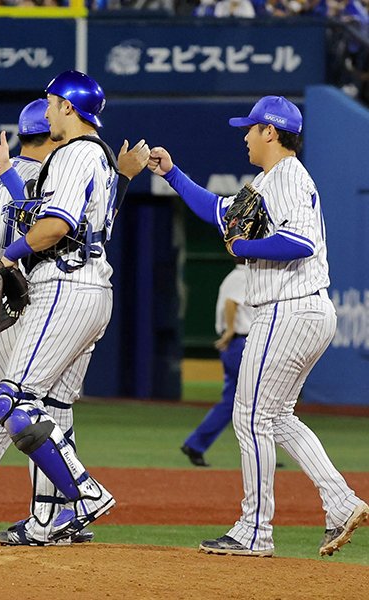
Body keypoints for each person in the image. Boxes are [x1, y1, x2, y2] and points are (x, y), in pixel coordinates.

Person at [148, 96, 368, 557]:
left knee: (249, 416)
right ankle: (341, 502)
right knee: (277, 417)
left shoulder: (287, 176)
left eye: (250, 128)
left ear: (270, 131)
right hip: (304, 310)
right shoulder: (268, 181)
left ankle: (254, 530)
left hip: (287, 310)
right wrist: (172, 173)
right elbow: (217, 210)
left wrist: (245, 246)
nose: (244, 136)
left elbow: (300, 242)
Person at [0, 99, 150, 545]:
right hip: (25, 300)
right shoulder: (51, 173)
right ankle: (71, 500)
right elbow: (57, 227)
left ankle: (0, 507)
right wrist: (123, 178)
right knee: (24, 404)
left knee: (13, 408)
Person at [181, 258, 252, 468]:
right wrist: (230, 331)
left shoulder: (236, 275)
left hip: (237, 344)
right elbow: (231, 303)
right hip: (239, 342)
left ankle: (196, 444)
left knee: (232, 402)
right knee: (257, 401)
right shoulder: (243, 276)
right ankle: (259, 453)